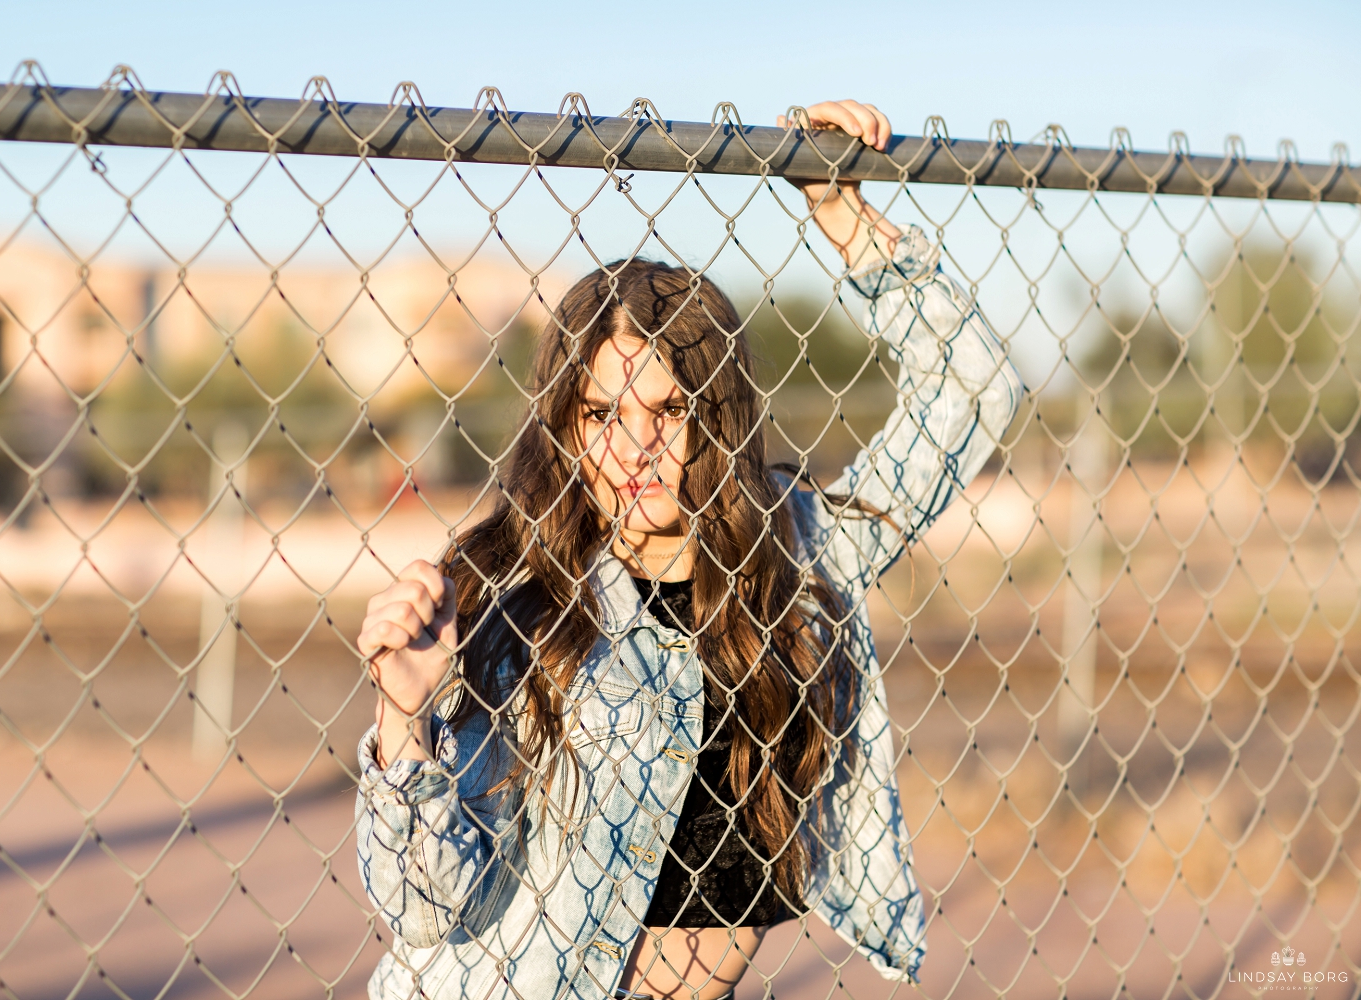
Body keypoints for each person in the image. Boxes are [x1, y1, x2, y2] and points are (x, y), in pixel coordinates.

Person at [354, 99, 1024, 1000]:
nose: (633, 450)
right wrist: (404, 727)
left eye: (668, 411)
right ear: (565, 426)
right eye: (601, 415)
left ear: (717, 415)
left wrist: (844, 215)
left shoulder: (800, 550)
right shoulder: (521, 600)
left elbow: (974, 391)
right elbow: (429, 911)